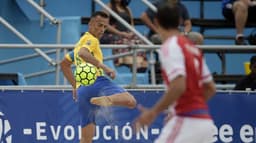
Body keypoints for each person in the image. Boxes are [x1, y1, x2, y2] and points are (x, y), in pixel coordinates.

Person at [134, 3, 216, 143]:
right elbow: (210, 88)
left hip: (187, 123)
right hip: (206, 123)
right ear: (179, 22)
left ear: (156, 22)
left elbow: (178, 85)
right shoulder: (193, 48)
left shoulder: (170, 47)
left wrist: (153, 112)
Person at [60, 11, 137, 143]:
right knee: (131, 101)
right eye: (99, 25)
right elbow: (84, 53)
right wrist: (105, 67)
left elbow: (64, 64)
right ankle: (107, 100)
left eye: (104, 27)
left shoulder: (79, 44)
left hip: (83, 90)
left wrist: (75, 86)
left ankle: (104, 100)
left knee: (86, 138)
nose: (102, 30)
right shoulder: (92, 40)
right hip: (97, 82)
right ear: (90, 24)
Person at [101, 0, 148, 72]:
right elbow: (105, 25)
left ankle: (140, 65)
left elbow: (131, 25)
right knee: (123, 40)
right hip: (113, 34)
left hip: (127, 34)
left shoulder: (127, 9)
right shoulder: (107, 7)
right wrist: (120, 33)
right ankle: (126, 61)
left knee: (140, 40)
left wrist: (131, 33)